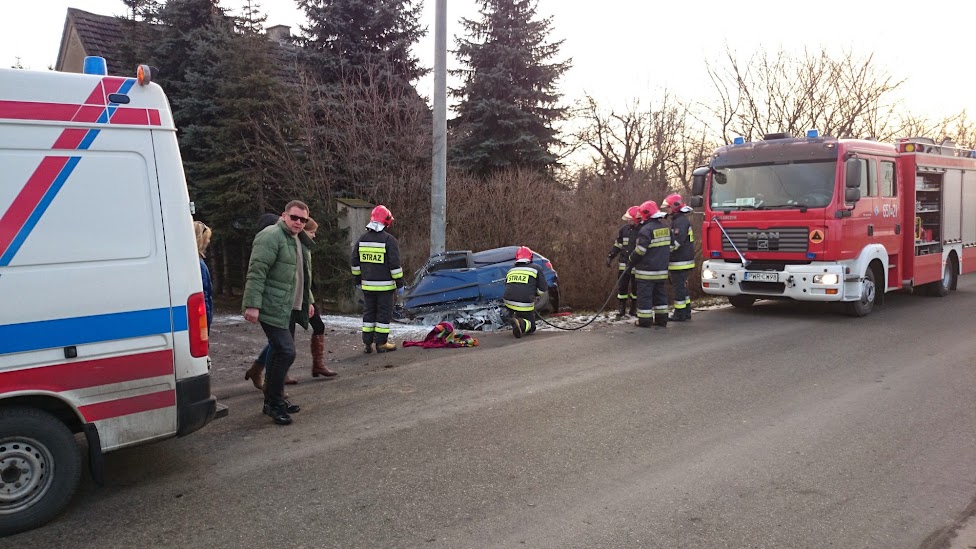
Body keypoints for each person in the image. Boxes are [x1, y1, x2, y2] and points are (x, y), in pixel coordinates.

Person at [242, 200, 315, 426]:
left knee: (278, 351)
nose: (298, 222)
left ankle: (274, 401)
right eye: (294, 217)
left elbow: (303, 275)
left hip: (291, 306)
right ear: (284, 215)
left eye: (302, 219)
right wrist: (252, 304)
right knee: (286, 351)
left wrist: (308, 300)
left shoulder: (299, 240)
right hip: (272, 305)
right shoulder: (271, 236)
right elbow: (257, 271)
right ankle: (274, 402)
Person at [244, 213, 298, 390]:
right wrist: (253, 305)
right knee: (282, 347)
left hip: (287, 301)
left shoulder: (290, 240)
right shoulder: (271, 240)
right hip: (276, 302)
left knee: (281, 345)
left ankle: (262, 373)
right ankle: (272, 387)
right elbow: (257, 273)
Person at [350, 205, 403, 353]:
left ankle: (367, 343)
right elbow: (395, 265)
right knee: (383, 314)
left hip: (367, 287)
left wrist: (357, 280)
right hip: (385, 288)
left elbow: (355, 262)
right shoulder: (389, 240)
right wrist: (400, 283)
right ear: (386, 221)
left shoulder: (362, 239)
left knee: (369, 313)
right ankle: (381, 343)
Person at [628, 200, 670, 328]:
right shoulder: (665, 228)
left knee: (645, 297)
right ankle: (662, 319)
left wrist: (631, 259)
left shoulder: (645, 230)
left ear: (645, 215)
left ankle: (645, 321)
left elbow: (640, 250)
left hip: (646, 271)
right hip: (662, 270)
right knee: (660, 295)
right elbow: (672, 246)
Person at [304, 217, 337, 378]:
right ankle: (266, 371)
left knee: (318, 326)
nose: (314, 236)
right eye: (311, 232)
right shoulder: (298, 248)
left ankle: (318, 365)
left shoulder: (306, 249)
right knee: (283, 340)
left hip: (305, 296)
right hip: (294, 298)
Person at [662, 194, 695, 321]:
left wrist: (663, 252)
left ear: (675, 207)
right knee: (682, 287)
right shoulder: (680, 220)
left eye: (668, 207)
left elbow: (676, 243)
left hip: (680, 261)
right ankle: (686, 312)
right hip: (683, 260)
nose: (667, 210)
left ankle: (680, 313)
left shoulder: (679, 222)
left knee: (678, 288)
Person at [504, 246, 548, 338]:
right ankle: (520, 323)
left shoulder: (511, 269)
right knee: (532, 327)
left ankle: (516, 320)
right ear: (530, 257)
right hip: (525, 303)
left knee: (520, 311)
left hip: (508, 302)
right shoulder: (536, 268)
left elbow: (507, 286)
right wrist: (535, 295)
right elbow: (542, 289)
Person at [606, 206, 640, 319]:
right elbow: (618, 245)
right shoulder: (624, 229)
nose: (628, 221)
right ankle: (621, 308)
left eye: (630, 219)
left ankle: (634, 308)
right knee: (622, 287)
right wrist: (611, 256)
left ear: (636, 219)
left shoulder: (642, 230)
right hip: (623, 264)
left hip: (636, 265)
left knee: (636, 288)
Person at [194, 221, 213, 333]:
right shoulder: (199, 265)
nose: (208, 241)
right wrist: (207, 320)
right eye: (207, 238)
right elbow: (204, 294)